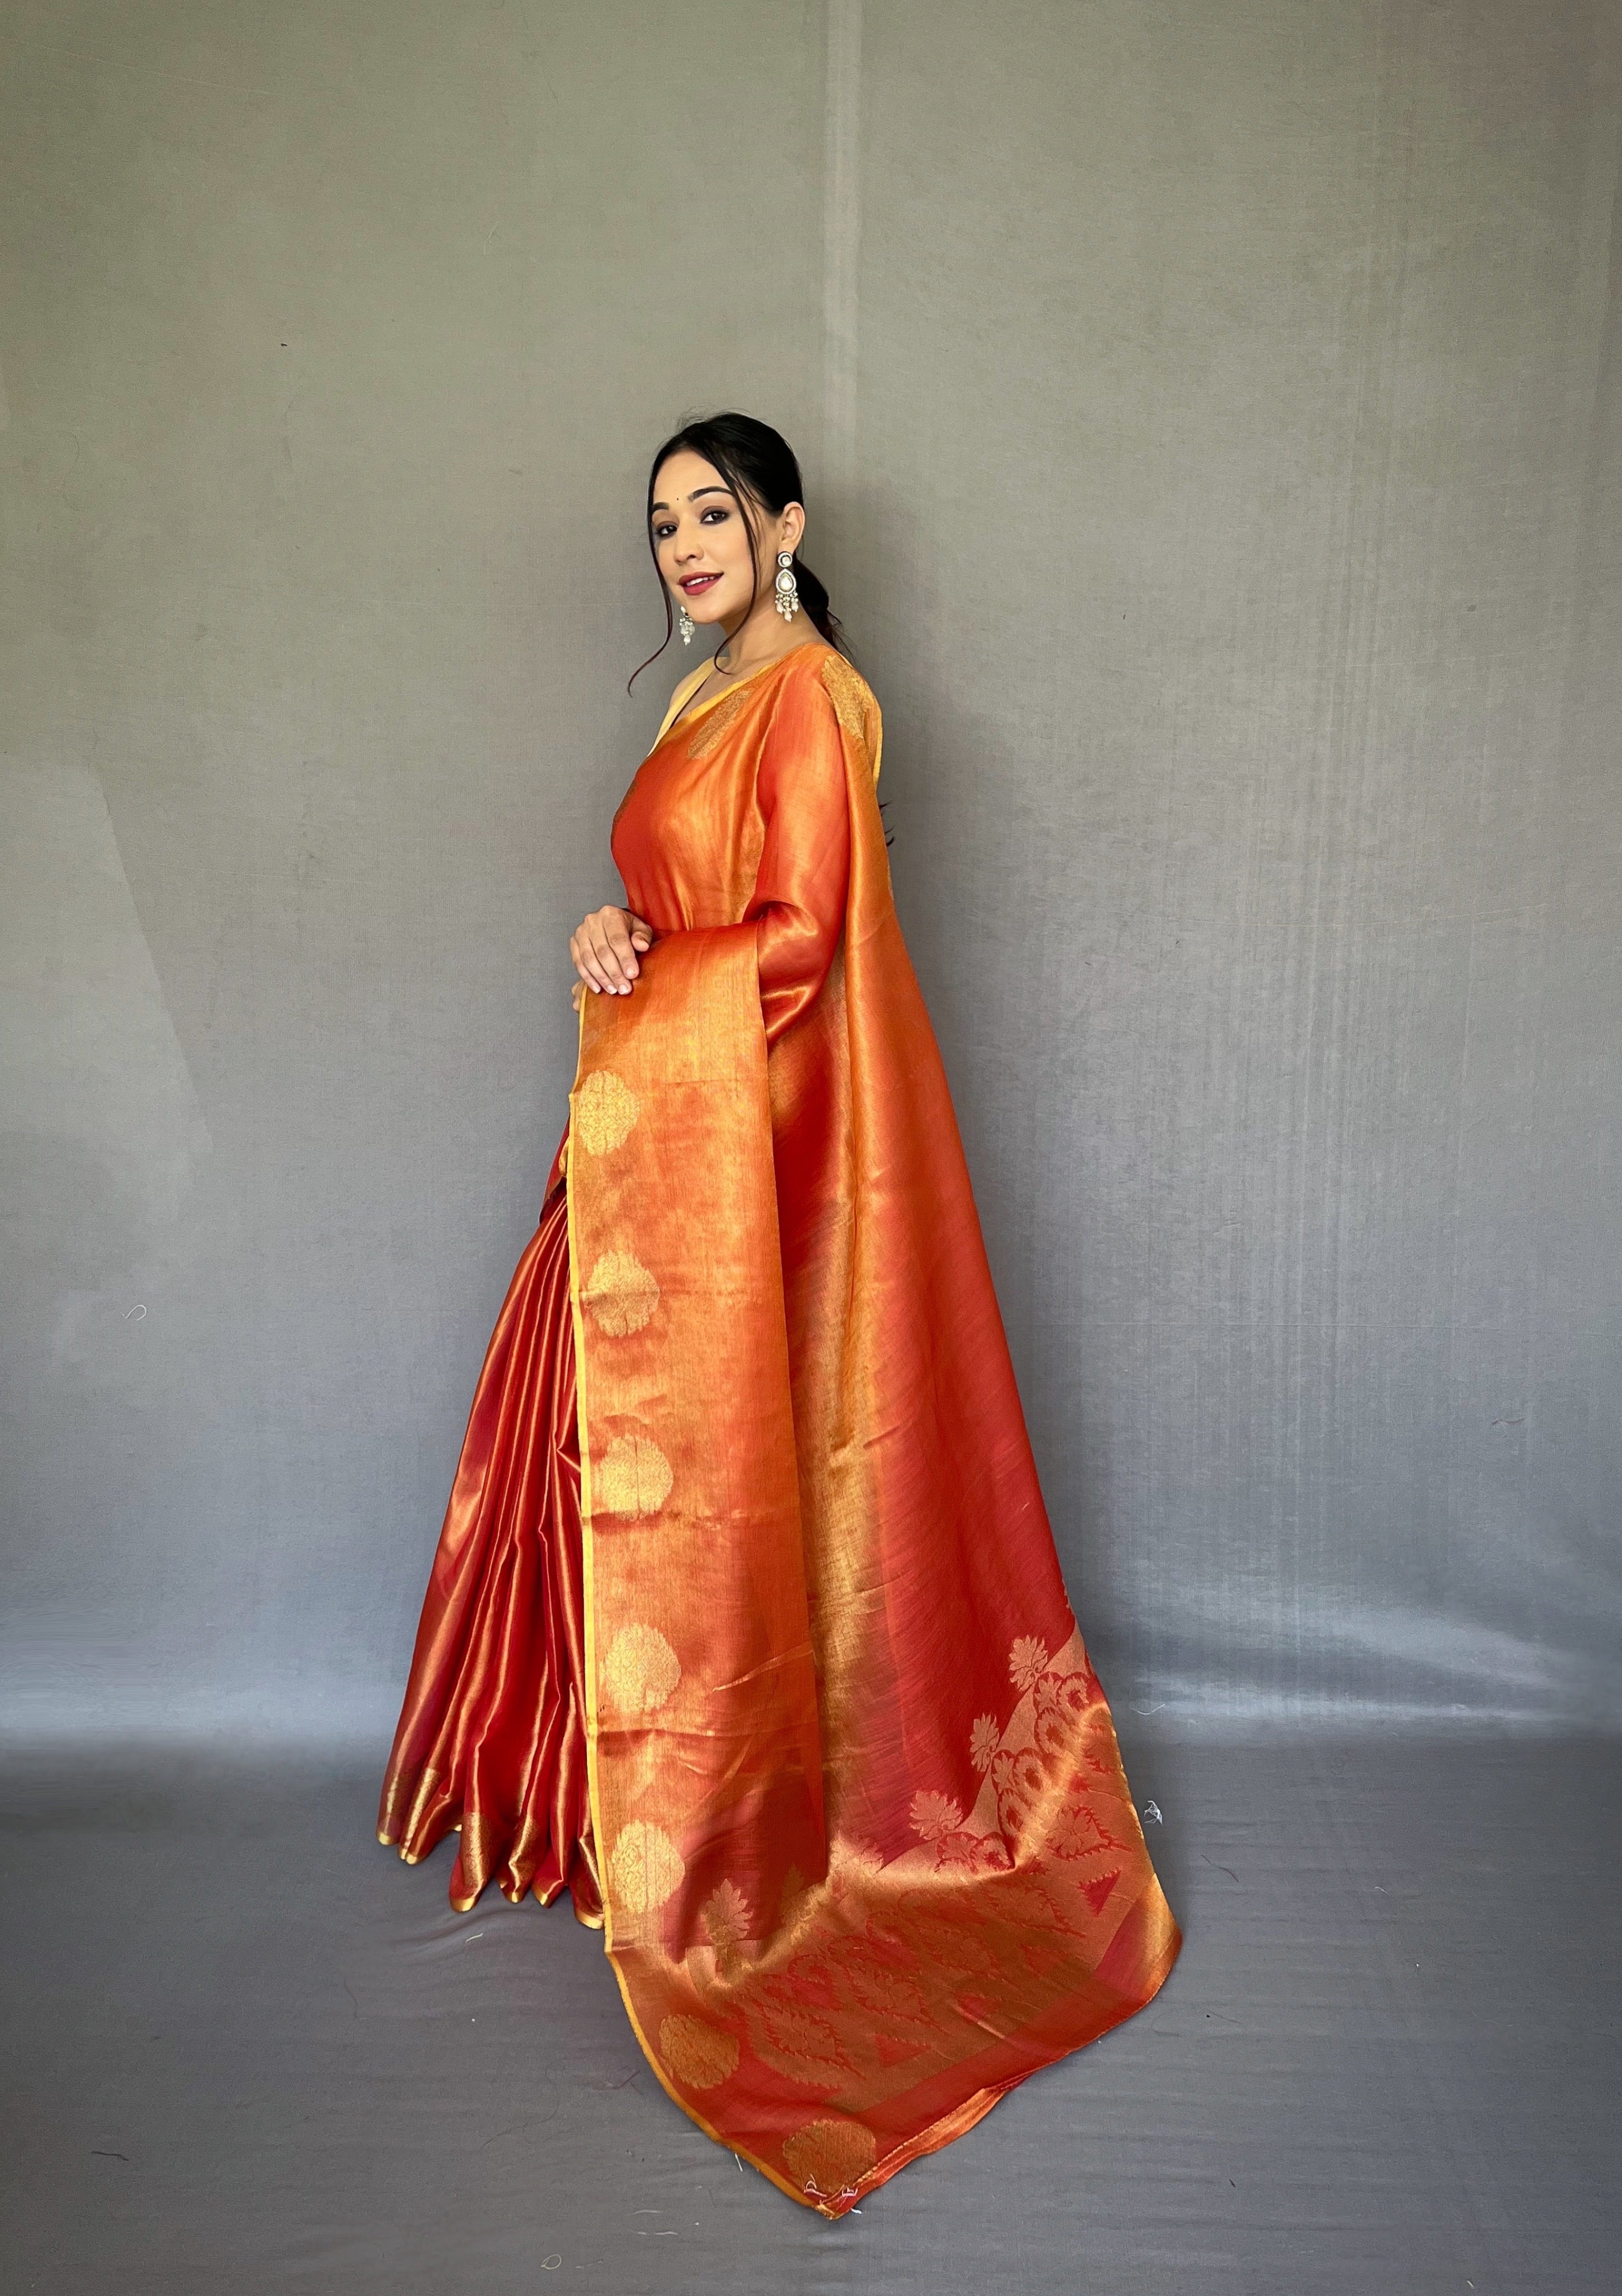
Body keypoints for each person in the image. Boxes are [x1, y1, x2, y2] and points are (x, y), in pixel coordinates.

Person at [378, 412, 1180, 2215]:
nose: (681, 542)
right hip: (676, 1139)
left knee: (744, 1487)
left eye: (712, 511)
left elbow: (802, 944)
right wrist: (611, 934)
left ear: (785, 521)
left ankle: (738, 1838)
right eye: (659, 521)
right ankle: (604, 1808)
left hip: (765, 1169)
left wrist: (652, 983)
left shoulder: (808, 698)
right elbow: (687, 910)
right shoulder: (701, 699)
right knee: (583, 1439)